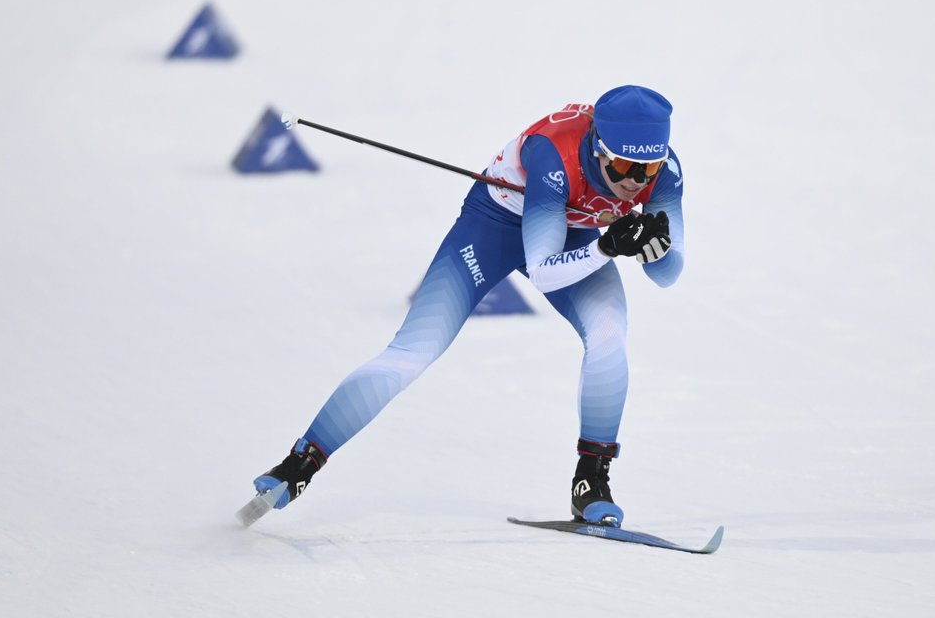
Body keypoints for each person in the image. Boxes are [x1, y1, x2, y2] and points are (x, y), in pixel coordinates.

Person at [251, 85, 685, 526]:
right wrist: (607, 247)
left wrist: (655, 247)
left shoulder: (664, 172)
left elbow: (667, 274)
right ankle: (300, 463)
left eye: (647, 168)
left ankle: (591, 480)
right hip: (494, 226)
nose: (635, 180)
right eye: (626, 165)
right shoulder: (554, 154)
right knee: (412, 352)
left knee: (610, 334)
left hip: (570, 233)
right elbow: (544, 270)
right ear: (597, 147)